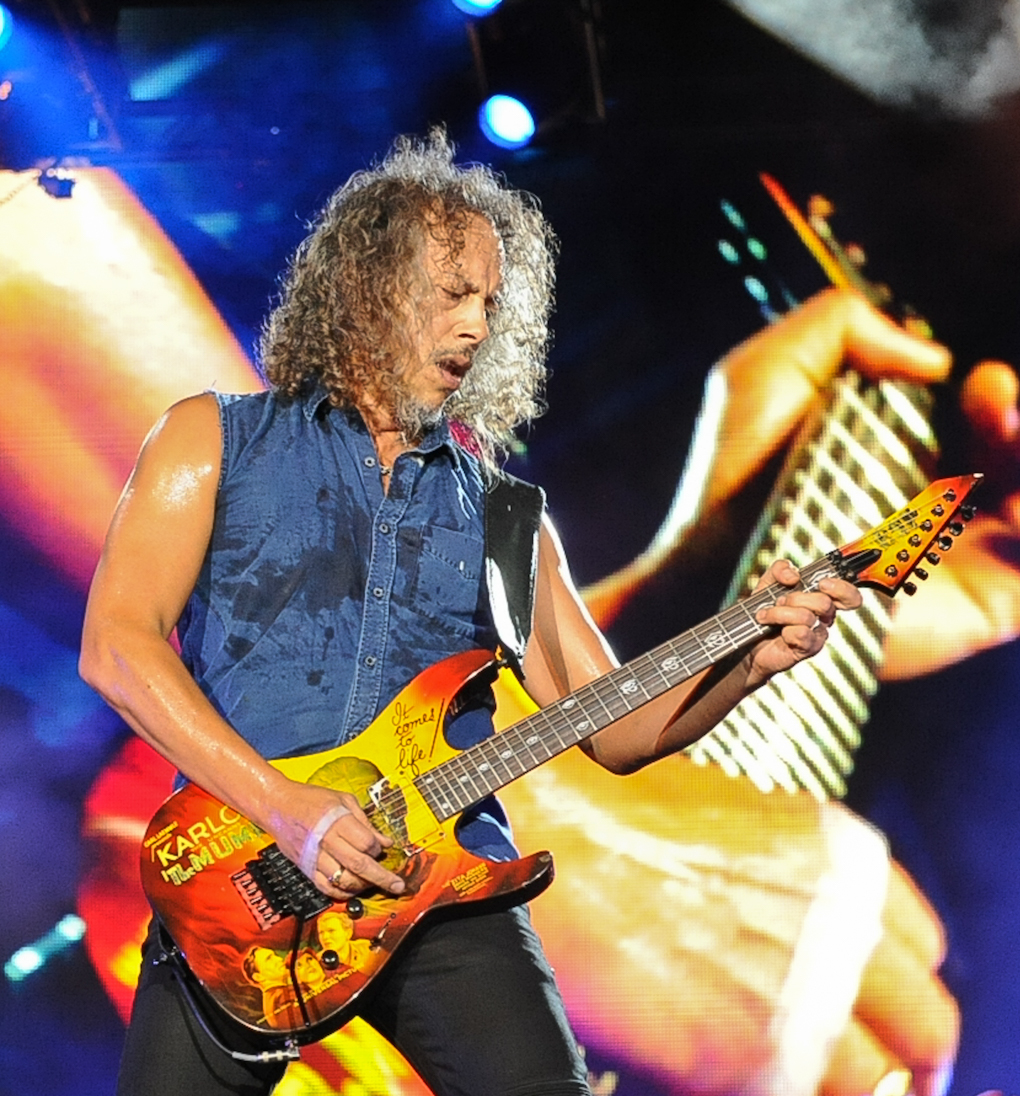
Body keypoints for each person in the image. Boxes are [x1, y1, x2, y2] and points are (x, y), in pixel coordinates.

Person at [76, 130, 868, 1096]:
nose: (477, 327)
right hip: (239, 875)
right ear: (366, 288)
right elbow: (117, 647)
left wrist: (750, 654)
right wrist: (289, 811)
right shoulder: (213, 439)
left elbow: (615, 728)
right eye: (453, 294)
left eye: (492, 302)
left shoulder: (506, 516)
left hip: (444, 892)